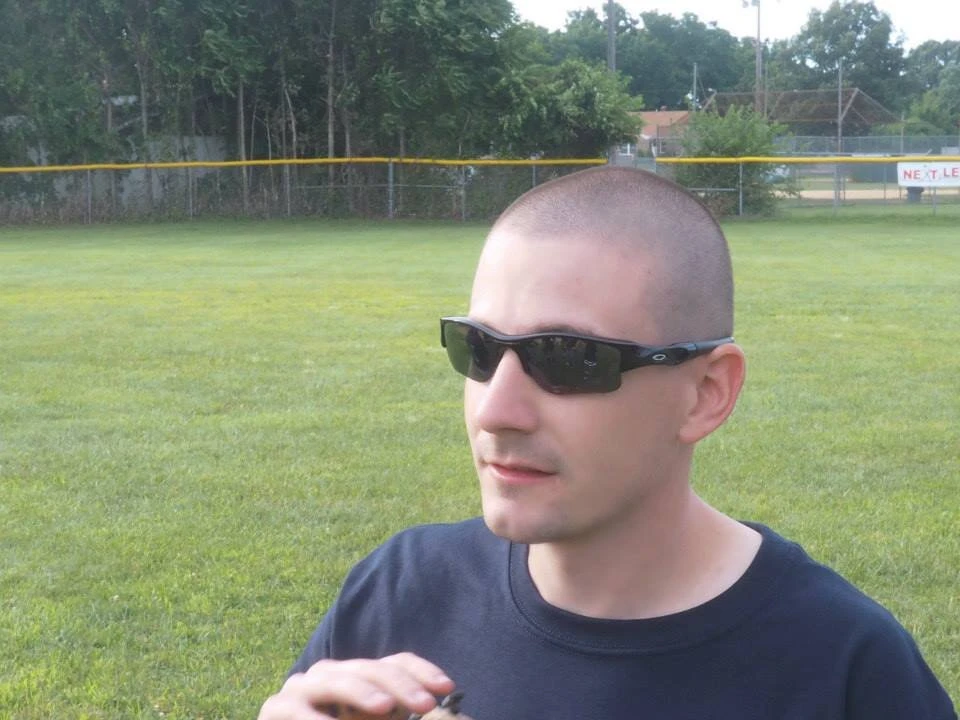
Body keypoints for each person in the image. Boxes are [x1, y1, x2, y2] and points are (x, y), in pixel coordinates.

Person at [259, 167, 956, 720]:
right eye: (476, 348)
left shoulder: (843, 669)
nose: (495, 411)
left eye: (567, 357)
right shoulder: (401, 590)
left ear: (706, 393)